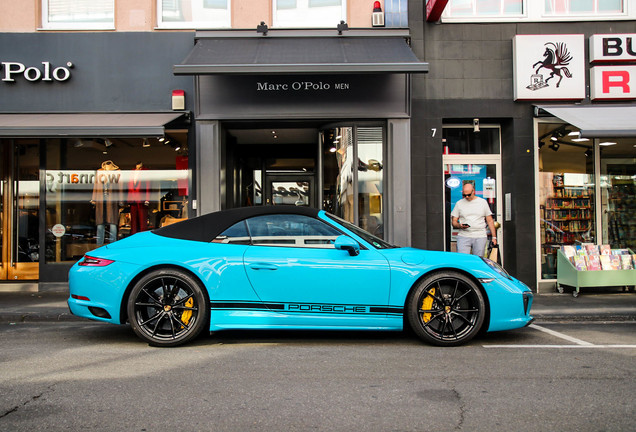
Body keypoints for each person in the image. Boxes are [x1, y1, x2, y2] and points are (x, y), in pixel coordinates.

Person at [450, 183, 497, 256]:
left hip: (480, 235)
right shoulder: (459, 203)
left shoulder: (482, 202)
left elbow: (490, 220)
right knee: (463, 260)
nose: (467, 197)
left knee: (478, 260)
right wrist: (459, 225)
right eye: (464, 195)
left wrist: (494, 237)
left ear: (473, 191)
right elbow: (454, 221)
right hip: (464, 235)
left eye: (468, 194)